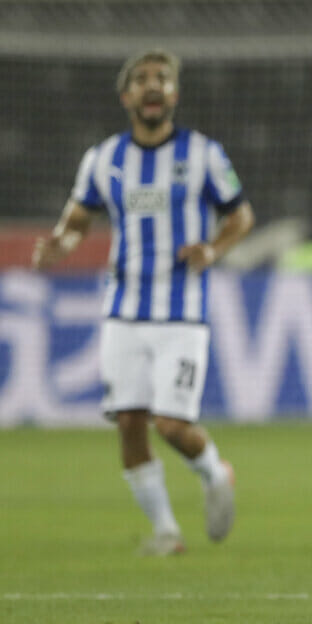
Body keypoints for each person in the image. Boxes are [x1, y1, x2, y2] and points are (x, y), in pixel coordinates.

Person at [32, 49, 254, 556]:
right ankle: (167, 532)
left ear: (173, 94)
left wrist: (213, 249)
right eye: (142, 79)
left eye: (162, 79)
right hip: (123, 311)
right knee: (129, 421)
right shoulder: (104, 158)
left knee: (172, 424)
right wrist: (61, 245)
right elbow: (76, 221)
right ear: (127, 95)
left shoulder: (203, 153)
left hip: (182, 312)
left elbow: (240, 215)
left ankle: (216, 471)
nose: (153, 86)